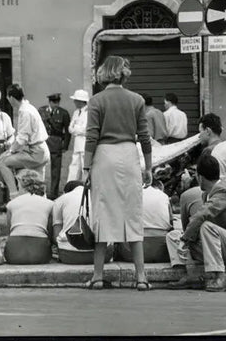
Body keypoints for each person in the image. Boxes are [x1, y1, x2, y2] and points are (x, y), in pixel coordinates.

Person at [83, 55, 152, 291]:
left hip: (104, 157)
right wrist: (149, 167)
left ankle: (98, 275)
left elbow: (91, 136)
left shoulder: (96, 101)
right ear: (123, 73)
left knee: (102, 215)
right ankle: (141, 277)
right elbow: (144, 137)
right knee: (133, 214)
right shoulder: (137, 100)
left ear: (104, 73)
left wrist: (86, 168)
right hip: (129, 155)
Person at [167, 155, 226, 292]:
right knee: (173, 235)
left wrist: (185, 239)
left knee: (205, 226)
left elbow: (202, 215)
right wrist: (185, 238)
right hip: (222, 248)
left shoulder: (223, 191)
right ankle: (191, 275)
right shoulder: (206, 194)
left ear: (200, 177)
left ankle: (221, 277)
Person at [0, 84, 50, 200]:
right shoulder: (29, 108)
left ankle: (14, 196)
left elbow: (22, 139)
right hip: (41, 150)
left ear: (11, 97)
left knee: (2, 161)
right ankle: (43, 205)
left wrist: (10, 151)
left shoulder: (25, 112)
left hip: (35, 152)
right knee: (38, 184)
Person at [52, 180, 113, 264]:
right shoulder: (101, 197)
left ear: (66, 192)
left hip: (69, 255)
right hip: (103, 256)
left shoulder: (61, 200)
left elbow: (56, 235)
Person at [115, 180, 173, 263]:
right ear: (159, 188)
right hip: (161, 252)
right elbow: (171, 225)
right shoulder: (164, 196)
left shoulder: (129, 195)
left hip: (130, 253)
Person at [4, 170, 54, 264]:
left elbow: (9, 231)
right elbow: (50, 233)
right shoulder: (50, 204)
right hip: (40, 253)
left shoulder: (11, 204)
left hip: (14, 254)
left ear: (22, 186)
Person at [39, 93, 71, 199]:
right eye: (54, 102)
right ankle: (40, 192)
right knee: (41, 168)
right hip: (43, 142)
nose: (56, 104)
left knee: (55, 170)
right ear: (50, 102)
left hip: (56, 142)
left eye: (57, 102)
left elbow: (67, 131)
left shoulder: (63, 113)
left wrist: (65, 145)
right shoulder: (42, 111)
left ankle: (53, 194)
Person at [67, 89, 89, 182]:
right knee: (74, 167)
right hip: (77, 144)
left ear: (81, 101)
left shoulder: (89, 112)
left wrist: (75, 128)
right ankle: (69, 189)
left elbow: (85, 129)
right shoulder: (76, 112)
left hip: (85, 144)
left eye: (76, 100)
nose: (74, 102)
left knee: (85, 168)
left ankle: (86, 190)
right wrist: (77, 128)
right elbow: (70, 128)